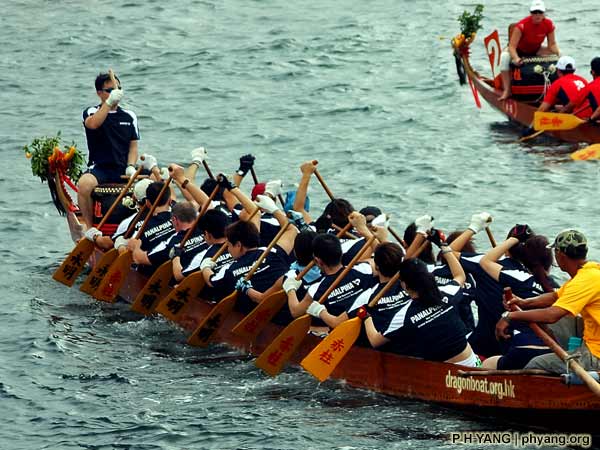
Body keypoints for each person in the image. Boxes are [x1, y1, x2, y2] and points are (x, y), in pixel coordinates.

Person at [496, 230, 600, 374]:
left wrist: (509, 316)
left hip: (596, 354)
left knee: (535, 364)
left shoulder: (584, 280)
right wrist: (524, 302)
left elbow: (551, 315)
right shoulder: (591, 271)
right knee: (544, 317)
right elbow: (555, 296)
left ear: (560, 255)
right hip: (592, 343)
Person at [364, 254, 479, 367]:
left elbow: (375, 341)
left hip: (445, 373)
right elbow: (460, 275)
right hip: (473, 363)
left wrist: (366, 316)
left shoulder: (403, 316)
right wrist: (446, 249)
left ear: (404, 285)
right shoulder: (448, 292)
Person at [78, 72, 140, 229]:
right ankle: (90, 229)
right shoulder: (91, 112)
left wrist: (131, 166)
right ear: (99, 93)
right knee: (84, 184)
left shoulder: (129, 116)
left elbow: (133, 146)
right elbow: (93, 124)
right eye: (109, 90)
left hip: (123, 166)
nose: (115, 93)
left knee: (156, 179)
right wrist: (109, 102)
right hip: (101, 167)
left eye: (117, 89)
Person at [498, 0, 559, 101]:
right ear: (531, 13)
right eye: (535, 12)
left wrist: (558, 54)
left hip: (536, 49)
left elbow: (552, 44)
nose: (537, 15)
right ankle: (507, 90)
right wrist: (516, 58)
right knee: (504, 57)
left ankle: (558, 89)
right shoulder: (522, 25)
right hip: (518, 50)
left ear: (544, 13)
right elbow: (512, 46)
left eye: (540, 12)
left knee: (561, 55)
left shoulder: (548, 24)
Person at [562, 56, 600, 123]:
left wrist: (590, 119)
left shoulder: (589, 87)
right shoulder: (586, 83)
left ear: (593, 72)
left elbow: (570, 106)